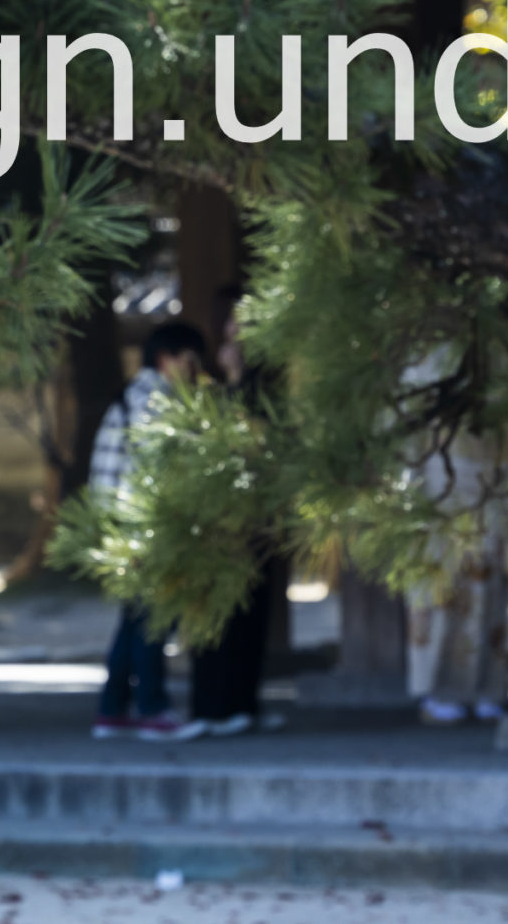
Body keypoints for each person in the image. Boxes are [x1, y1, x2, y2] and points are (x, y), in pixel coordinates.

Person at [88, 321, 205, 741]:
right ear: (167, 358)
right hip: (145, 527)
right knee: (154, 622)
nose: (194, 371)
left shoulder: (134, 394)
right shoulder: (156, 401)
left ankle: (112, 710)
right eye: (190, 360)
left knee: (135, 621)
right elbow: (160, 470)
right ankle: (152, 709)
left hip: (121, 526)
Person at [185, 292, 283, 737]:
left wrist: (242, 378)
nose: (236, 332)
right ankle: (208, 706)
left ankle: (243, 703)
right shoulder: (205, 385)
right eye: (231, 322)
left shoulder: (266, 388)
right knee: (211, 613)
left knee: (251, 610)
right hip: (211, 516)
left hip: (253, 517)